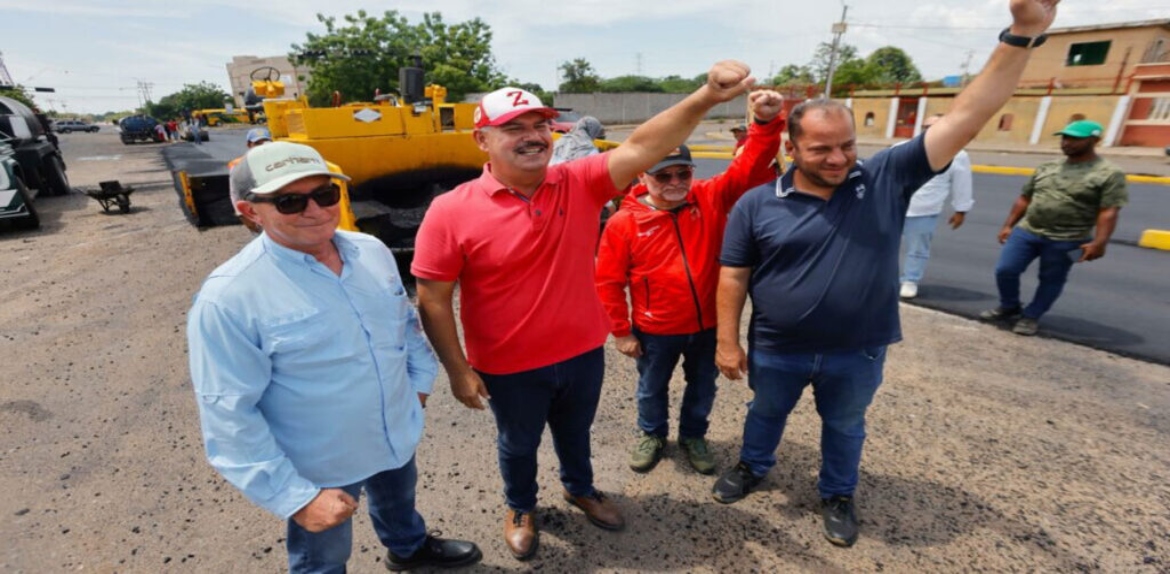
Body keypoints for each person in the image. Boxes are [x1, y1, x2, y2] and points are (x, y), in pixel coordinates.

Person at [710, 0, 1062, 549]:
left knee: (846, 428)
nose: (837, 158)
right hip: (778, 346)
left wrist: (1021, 34)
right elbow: (733, 277)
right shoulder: (757, 204)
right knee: (765, 414)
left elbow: (968, 114)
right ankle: (754, 467)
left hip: (859, 349)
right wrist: (726, 343)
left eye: (847, 145)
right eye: (821, 149)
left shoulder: (884, 178)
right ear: (792, 148)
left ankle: (839, 493)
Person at [411, 62, 755, 561]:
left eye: (539, 125)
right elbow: (432, 298)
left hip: (580, 352)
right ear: (482, 140)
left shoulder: (578, 182)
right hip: (509, 364)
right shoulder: (452, 210)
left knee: (575, 432)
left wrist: (705, 96)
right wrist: (459, 370)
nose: (532, 137)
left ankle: (580, 487)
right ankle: (521, 506)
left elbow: (643, 146)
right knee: (518, 443)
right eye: (514, 128)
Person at [187, 141, 481, 573]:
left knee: (400, 498)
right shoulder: (230, 298)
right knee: (321, 559)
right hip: (319, 465)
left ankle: (408, 547)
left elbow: (404, 326)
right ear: (251, 211)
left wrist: (417, 387)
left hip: (393, 430)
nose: (316, 210)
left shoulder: (371, 252)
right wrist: (297, 498)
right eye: (290, 201)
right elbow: (227, 413)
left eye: (325, 194)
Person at [594, 90, 785, 477]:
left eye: (683, 172)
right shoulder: (624, 223)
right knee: (651, 388)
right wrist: (621, 331)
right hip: (655, 329)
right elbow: (607, 282)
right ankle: (651, 434)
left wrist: (764, 125)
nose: (675, 181)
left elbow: (748, 170)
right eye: (663, 175)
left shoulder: (709, 198)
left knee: (703, 388)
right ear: (644, 176)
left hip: (708, 327)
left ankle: (693, 436)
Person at [979, 119, 1126, 336]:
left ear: (1094, 140)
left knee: (1051, 279)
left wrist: (1099, 243)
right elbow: (1024, 198)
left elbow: (1109, 211)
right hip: (1028, 231)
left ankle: (1031, 316)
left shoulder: (1108, 173)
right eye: (1065, 138)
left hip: (1068, 238)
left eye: (1075, 139)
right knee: (1006, 269)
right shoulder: (1048, 167)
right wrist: (1008, 225)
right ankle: (1009, 306)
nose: (1066, 143)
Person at [898, 113, 974, 299]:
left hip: (925, 210)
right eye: (926, 127)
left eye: (934, 126)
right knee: (883, 246)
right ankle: (881, 279)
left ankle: (910, 280)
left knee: (917, 249)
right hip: (895, 206)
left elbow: (962, 184)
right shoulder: (903, 148)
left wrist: (961, 210)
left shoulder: (957, 155)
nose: (929, 131)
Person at [228, 128, 273, 232]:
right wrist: (242, 216)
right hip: (255, 211)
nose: (261, 146)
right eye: (257, 143)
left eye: (265, 142)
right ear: (249, 145)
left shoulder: (276, 160)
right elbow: (235, 193)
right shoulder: (239, 165)